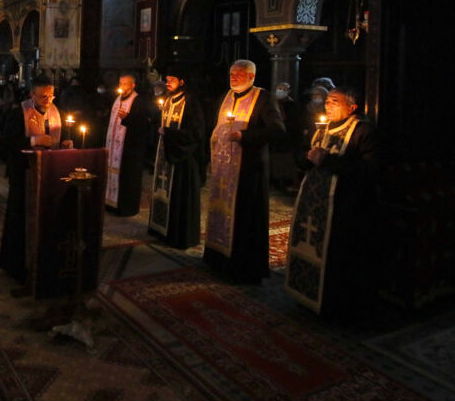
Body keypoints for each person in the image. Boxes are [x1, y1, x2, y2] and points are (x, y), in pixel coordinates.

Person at [285, 87, 379, 317]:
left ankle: (333, 303)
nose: (328, 104)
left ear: (352, 107)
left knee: (336, 256)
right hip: (313, 204)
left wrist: (328, 160)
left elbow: (369, 170)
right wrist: (307, 158)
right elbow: (303, 155)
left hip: (343, 206)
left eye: (335, 101)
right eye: (327, 100)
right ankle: (307, 293)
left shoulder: (363, 131)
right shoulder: (322, 128)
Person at [204, 60, 286, 283]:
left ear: (251, 77)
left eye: (239, 75)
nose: (233, 78)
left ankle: (241, 266)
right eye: (231, 74)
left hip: (247, 171)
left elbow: (277, 131)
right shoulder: (226, 97)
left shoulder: (264, 98)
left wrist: (244, 137)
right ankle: (218, 259)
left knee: (244, 217)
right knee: (221, 213)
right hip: (223, 170)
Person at [0, 74, 72, 284]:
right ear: (32, 94)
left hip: (50, 174)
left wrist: (66, 142)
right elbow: (5, 144)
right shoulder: (18, 113)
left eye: (50, 96)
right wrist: (33, 140)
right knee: (19, 218)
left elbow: (63, 135)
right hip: (24, 175)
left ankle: (45, 262)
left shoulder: (58, 113)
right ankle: (17, 265)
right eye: (42, 96)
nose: (47, 100)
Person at [148, 67, 205, 248]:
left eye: (172, 80)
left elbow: (196, 133)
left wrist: (170, 133)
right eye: (167, 80)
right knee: (164, 192)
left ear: (182, 82)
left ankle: (178, 235)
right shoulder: (168, 100)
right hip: (166, 155)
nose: (168, 83)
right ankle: (161, 229)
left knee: (180, 196)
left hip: (182, 158)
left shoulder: (191, 102)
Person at [104, 73, 151, 216]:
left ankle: (126, 208)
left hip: (129, 150)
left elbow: (143, 124)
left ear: (133, 85)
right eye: (120, 83)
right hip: (114, 148)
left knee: (127, 178)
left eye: (125, 84)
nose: (122, 87)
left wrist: (128, 118)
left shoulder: (138, 101)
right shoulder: (117, 99)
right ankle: (111, 204)